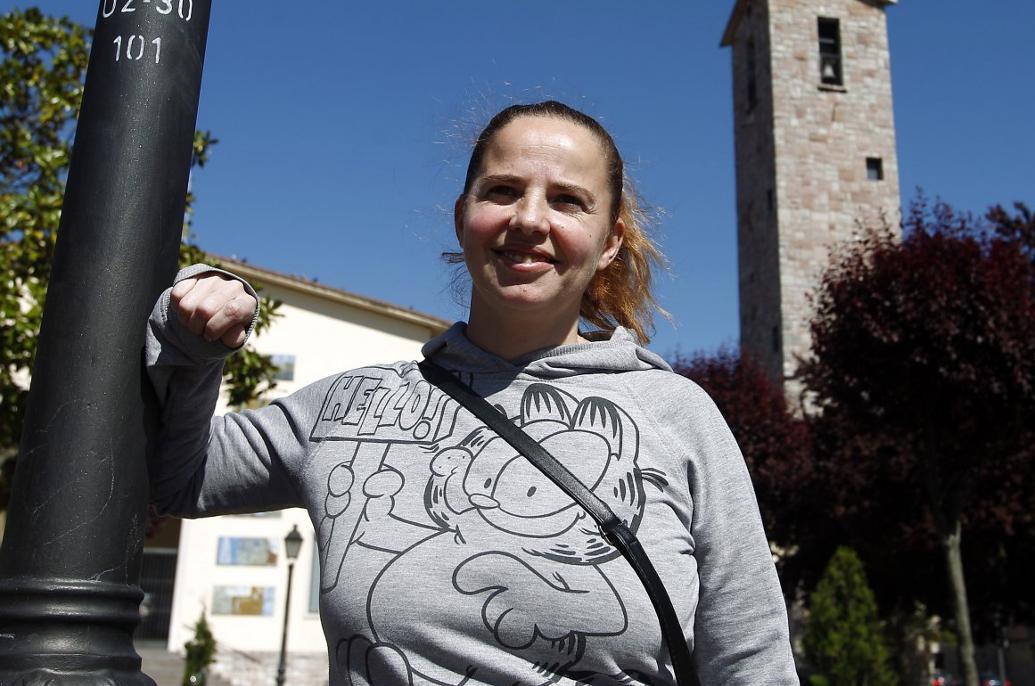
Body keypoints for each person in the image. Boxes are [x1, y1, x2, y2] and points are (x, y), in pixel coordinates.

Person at [147, 100, 799, 686]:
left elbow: (753, 664)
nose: (529, 219)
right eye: (503, 190)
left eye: (569, 200)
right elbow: (177, 477)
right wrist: (194, 340)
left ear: (610, 242)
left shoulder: (678, 417)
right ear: (464, 218)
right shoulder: (346, 410)